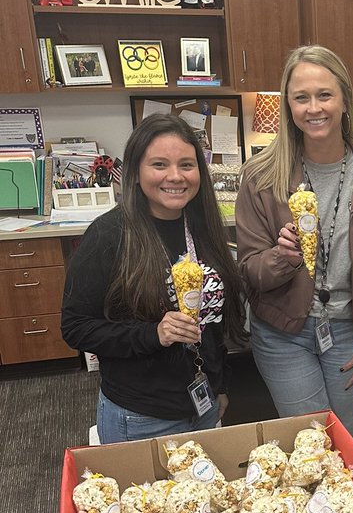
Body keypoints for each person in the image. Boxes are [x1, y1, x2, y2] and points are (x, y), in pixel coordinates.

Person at [235, 45, 353, 437]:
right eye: (301, 97)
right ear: (288, 106)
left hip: (349, 330)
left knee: (350, 440)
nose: (314, 108)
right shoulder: (260, 174)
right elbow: (249, 271)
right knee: (311, 440)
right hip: (284, 332)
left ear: (344, 101)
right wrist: (282, 257)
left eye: (324, 95)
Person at [61, 113, 245, 443]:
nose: (175, 176)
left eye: (187, 165)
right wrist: (152, 334)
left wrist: (219, 386)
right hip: (140, 416)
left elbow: (211, 324)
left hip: (202, 404)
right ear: (135, 173)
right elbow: (75, 327)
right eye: (159, 164)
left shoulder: (203, 229)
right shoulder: (109, 235)